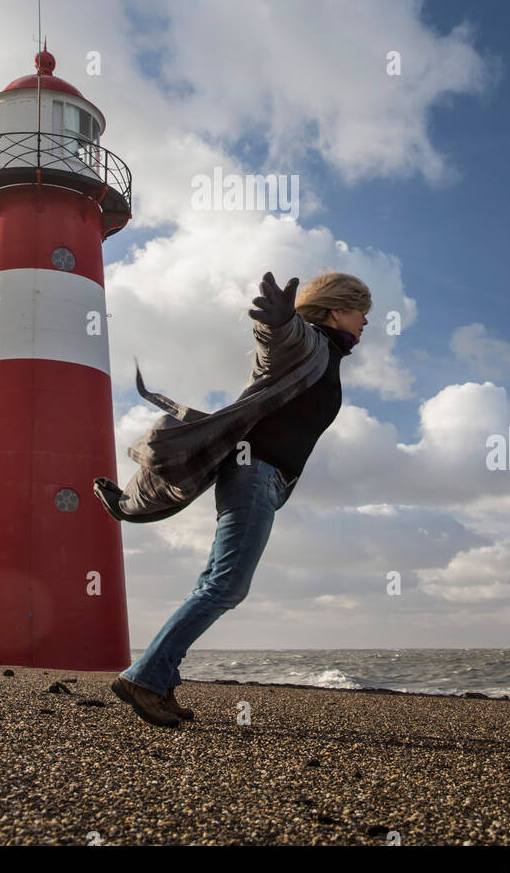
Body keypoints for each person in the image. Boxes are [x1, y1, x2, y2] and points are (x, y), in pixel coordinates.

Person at [96, 269, 371, 728]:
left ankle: (157, 680)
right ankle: (143, 679)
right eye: (362, 312)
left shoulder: (330, 356)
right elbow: (277, 342)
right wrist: (278, 321)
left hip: (268, 479)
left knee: (217, 582)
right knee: (226, 585)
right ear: (337, 309)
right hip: (253, 473)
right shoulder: (306, 344)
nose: (367, 322)